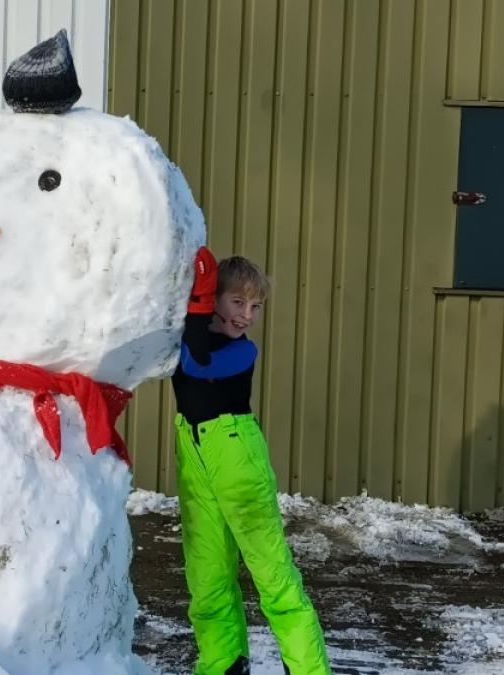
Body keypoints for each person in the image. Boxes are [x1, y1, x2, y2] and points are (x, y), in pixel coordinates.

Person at [171, 247, 330, 675]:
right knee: (206, 571)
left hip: (237, 453)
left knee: (271, 571)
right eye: (238, 302)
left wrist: (198, 306)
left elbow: (196, 363)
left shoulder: (243, 352)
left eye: (256, 306)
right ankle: (222, 662)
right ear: (216, 298)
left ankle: (309, 669)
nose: (247, 315)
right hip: (194, 450)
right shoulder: (191, 333)